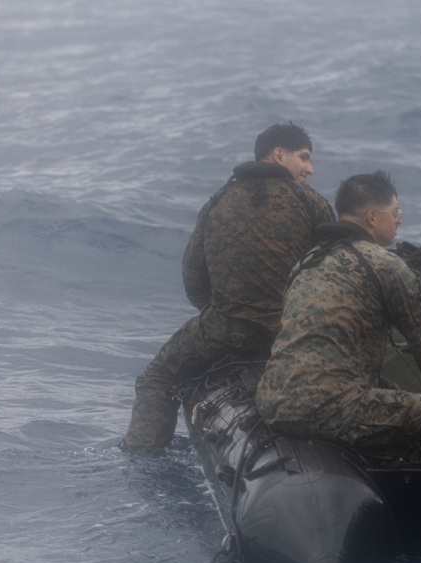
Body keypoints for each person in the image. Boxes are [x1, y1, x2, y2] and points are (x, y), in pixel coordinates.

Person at [124, 122, 335, 451]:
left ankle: (143, 459)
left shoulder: (216, 203)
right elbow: (334, 273)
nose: (310, 168)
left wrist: (226, 311)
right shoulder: (313, 204)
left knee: (158, 376)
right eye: (304, 158)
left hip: (226, 327)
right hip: (295, 331)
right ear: (279, 156)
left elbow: (193, 278)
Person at [255, 170, 421, 464]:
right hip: (328, 406)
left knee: (394, 394)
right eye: (395, 212)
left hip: (273, 400)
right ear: (372, 217)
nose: (399, 220)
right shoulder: (386, 265)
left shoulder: (306, 263)